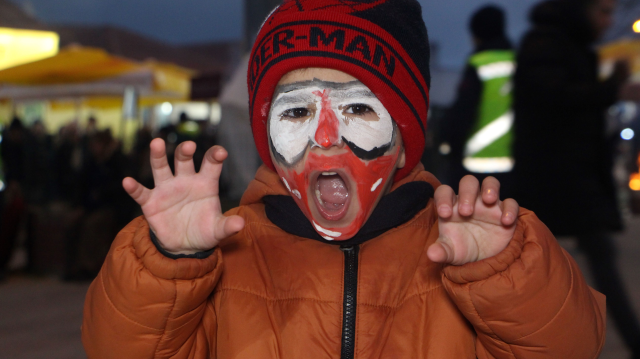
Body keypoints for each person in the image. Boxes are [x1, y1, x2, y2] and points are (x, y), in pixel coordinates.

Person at [82, 1, 606, 357]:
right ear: (264, 132)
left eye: (357, 107)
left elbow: (571, 345)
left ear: (404, 132)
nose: (326, 137)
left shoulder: (463, 249)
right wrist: (170, 263)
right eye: (294, 114)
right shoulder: (227, 253)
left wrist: (503, 273)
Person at [513, 0, 640, 356]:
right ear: (578, 10)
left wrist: (611, 84)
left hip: (567, 176)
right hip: (554, 177)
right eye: (602, 11)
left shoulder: (566, 45)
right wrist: (612, 90)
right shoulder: (546, 44)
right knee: (538, 266)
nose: (608, 20)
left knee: (582, 259)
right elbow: (555, 98)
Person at [441, 5, 515, 195]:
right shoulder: (519, 62)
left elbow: (463, 111)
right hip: (514, 164)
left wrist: (450, 144)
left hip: (476, 164)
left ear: (476, 34)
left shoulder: (479, 63)